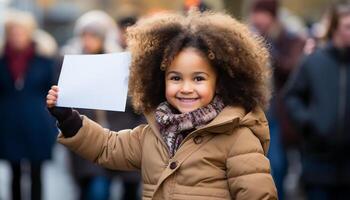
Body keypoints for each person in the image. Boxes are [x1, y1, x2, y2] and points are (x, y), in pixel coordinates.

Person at [46, 10, 277, 199]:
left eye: (198, 78)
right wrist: (67, 118)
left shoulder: (238, 137)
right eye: (176, 78)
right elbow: (108, 147)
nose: (186, 87)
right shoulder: (153, 132)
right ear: (160, 80)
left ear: (220, 82)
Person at [283, 3, 350, 200]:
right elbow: (291, 96)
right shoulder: (313, 61)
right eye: (347, 26)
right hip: (318, 163)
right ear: (336, 28)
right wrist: (309, 122)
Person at [249, 0, 306, 198]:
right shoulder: (252, 35)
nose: (257, 19)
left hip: (279, 114)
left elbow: (291, 67)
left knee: (278, 164)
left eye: (261, 13)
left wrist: (266, 47)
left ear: (271, 15)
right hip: (256, 110)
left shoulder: (291, 38)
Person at [0, 10, 58, 200]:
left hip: (37, 123)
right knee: (14, 173)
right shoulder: (2, 61)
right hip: (8, 124)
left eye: (21, 31)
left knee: (36, 173)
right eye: (13, 32)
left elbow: (53, 90)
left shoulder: (44, 60)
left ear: (29, 33)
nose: (17, 36)